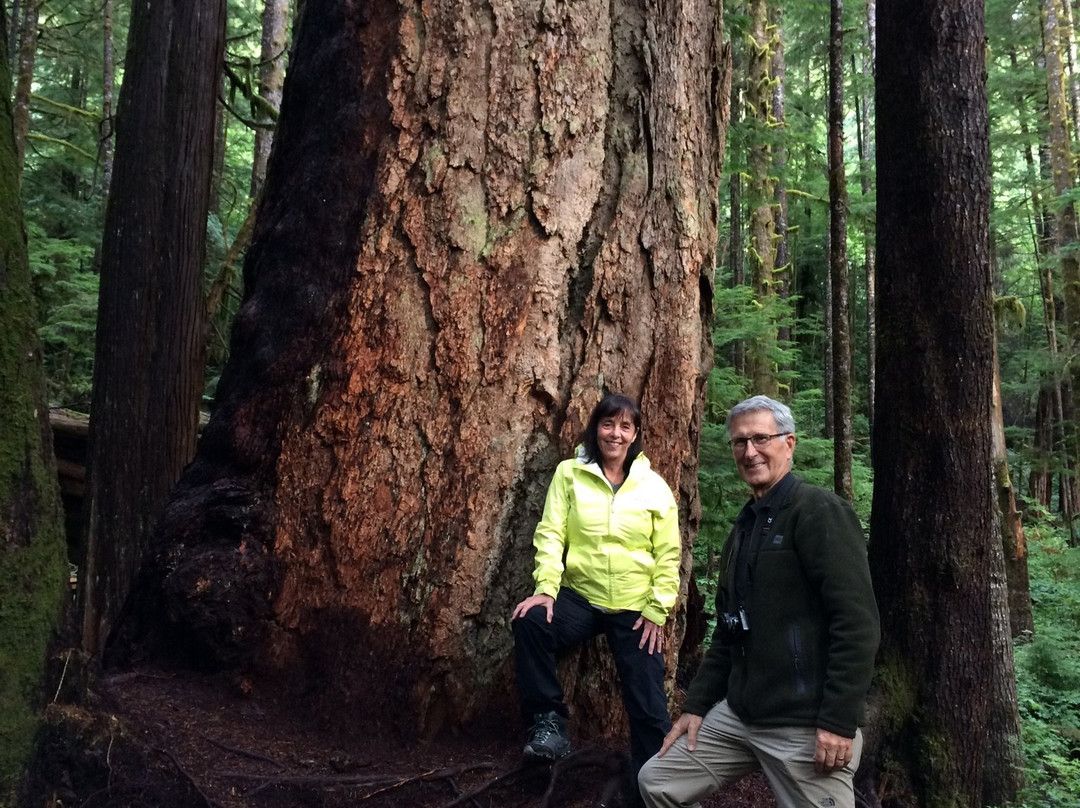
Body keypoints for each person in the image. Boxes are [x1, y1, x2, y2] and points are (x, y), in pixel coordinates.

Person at [638, 395, 879, 808]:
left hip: (802, 723)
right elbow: (729, 630)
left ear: (789, 443)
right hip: (739, 717)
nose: (749, 452)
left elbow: (857, 623)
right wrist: (695, 706)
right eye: (739, 442)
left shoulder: (818, 511)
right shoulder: (746, 525)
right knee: (658, 781)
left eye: (761, 439)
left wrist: (838, 720)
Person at [511, 393, 681, 781]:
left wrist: (657, 609)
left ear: (635, 433)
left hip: (635, 606)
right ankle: (548, 726)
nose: (615, 434)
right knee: (531, 622)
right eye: (608, 424)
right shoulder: (570, 473)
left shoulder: (654, 487)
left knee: (649, 701)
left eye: (625, 426)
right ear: (596, 428)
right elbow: (552, 533)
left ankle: (653, 784)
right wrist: (546, 589)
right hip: (580, 597)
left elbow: (669, 553)